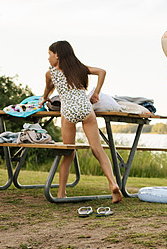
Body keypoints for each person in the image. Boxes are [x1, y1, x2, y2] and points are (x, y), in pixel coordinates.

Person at [41, 40, 122, 203]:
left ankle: (61, 193)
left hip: (68, 111)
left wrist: (44, 99)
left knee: (68, 154)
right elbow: (102, 71)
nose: (48, 58)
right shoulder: (79, 68)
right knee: (98, 150)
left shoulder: (50, 73)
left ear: (57, 55)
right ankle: (113, 184)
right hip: (86, 109)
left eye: (49, 54)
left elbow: (48, 89)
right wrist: (96, 93)